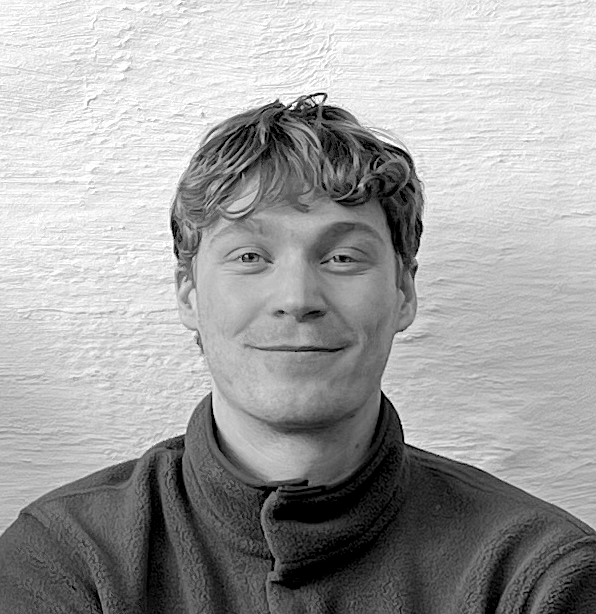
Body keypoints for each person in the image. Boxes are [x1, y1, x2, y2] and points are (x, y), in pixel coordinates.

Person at [0, 93, 594, 613]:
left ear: (404, 292)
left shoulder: (538, 574)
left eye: (342, 258)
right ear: (189, 295)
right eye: (249, 257)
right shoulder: (65, 557)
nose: (297, 299)